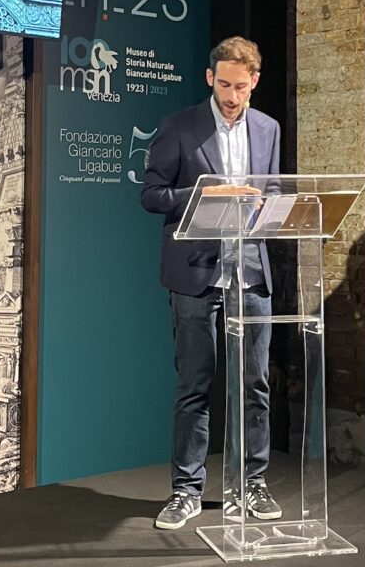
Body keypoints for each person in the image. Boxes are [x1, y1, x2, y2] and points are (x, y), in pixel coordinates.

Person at [140, 36, 282, 530]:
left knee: (255, 385)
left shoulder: (268, 128)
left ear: (254, 82)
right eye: (224, 85)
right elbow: (151, 195)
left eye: (240, 86)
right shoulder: (179, 126)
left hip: (251, 273)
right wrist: (205, 193)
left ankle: (252, 484)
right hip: (196, 273)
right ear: (210, 78)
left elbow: (274, 187)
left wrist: (269, 204)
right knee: (194, 386)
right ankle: (186, 491)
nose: (231, 95)